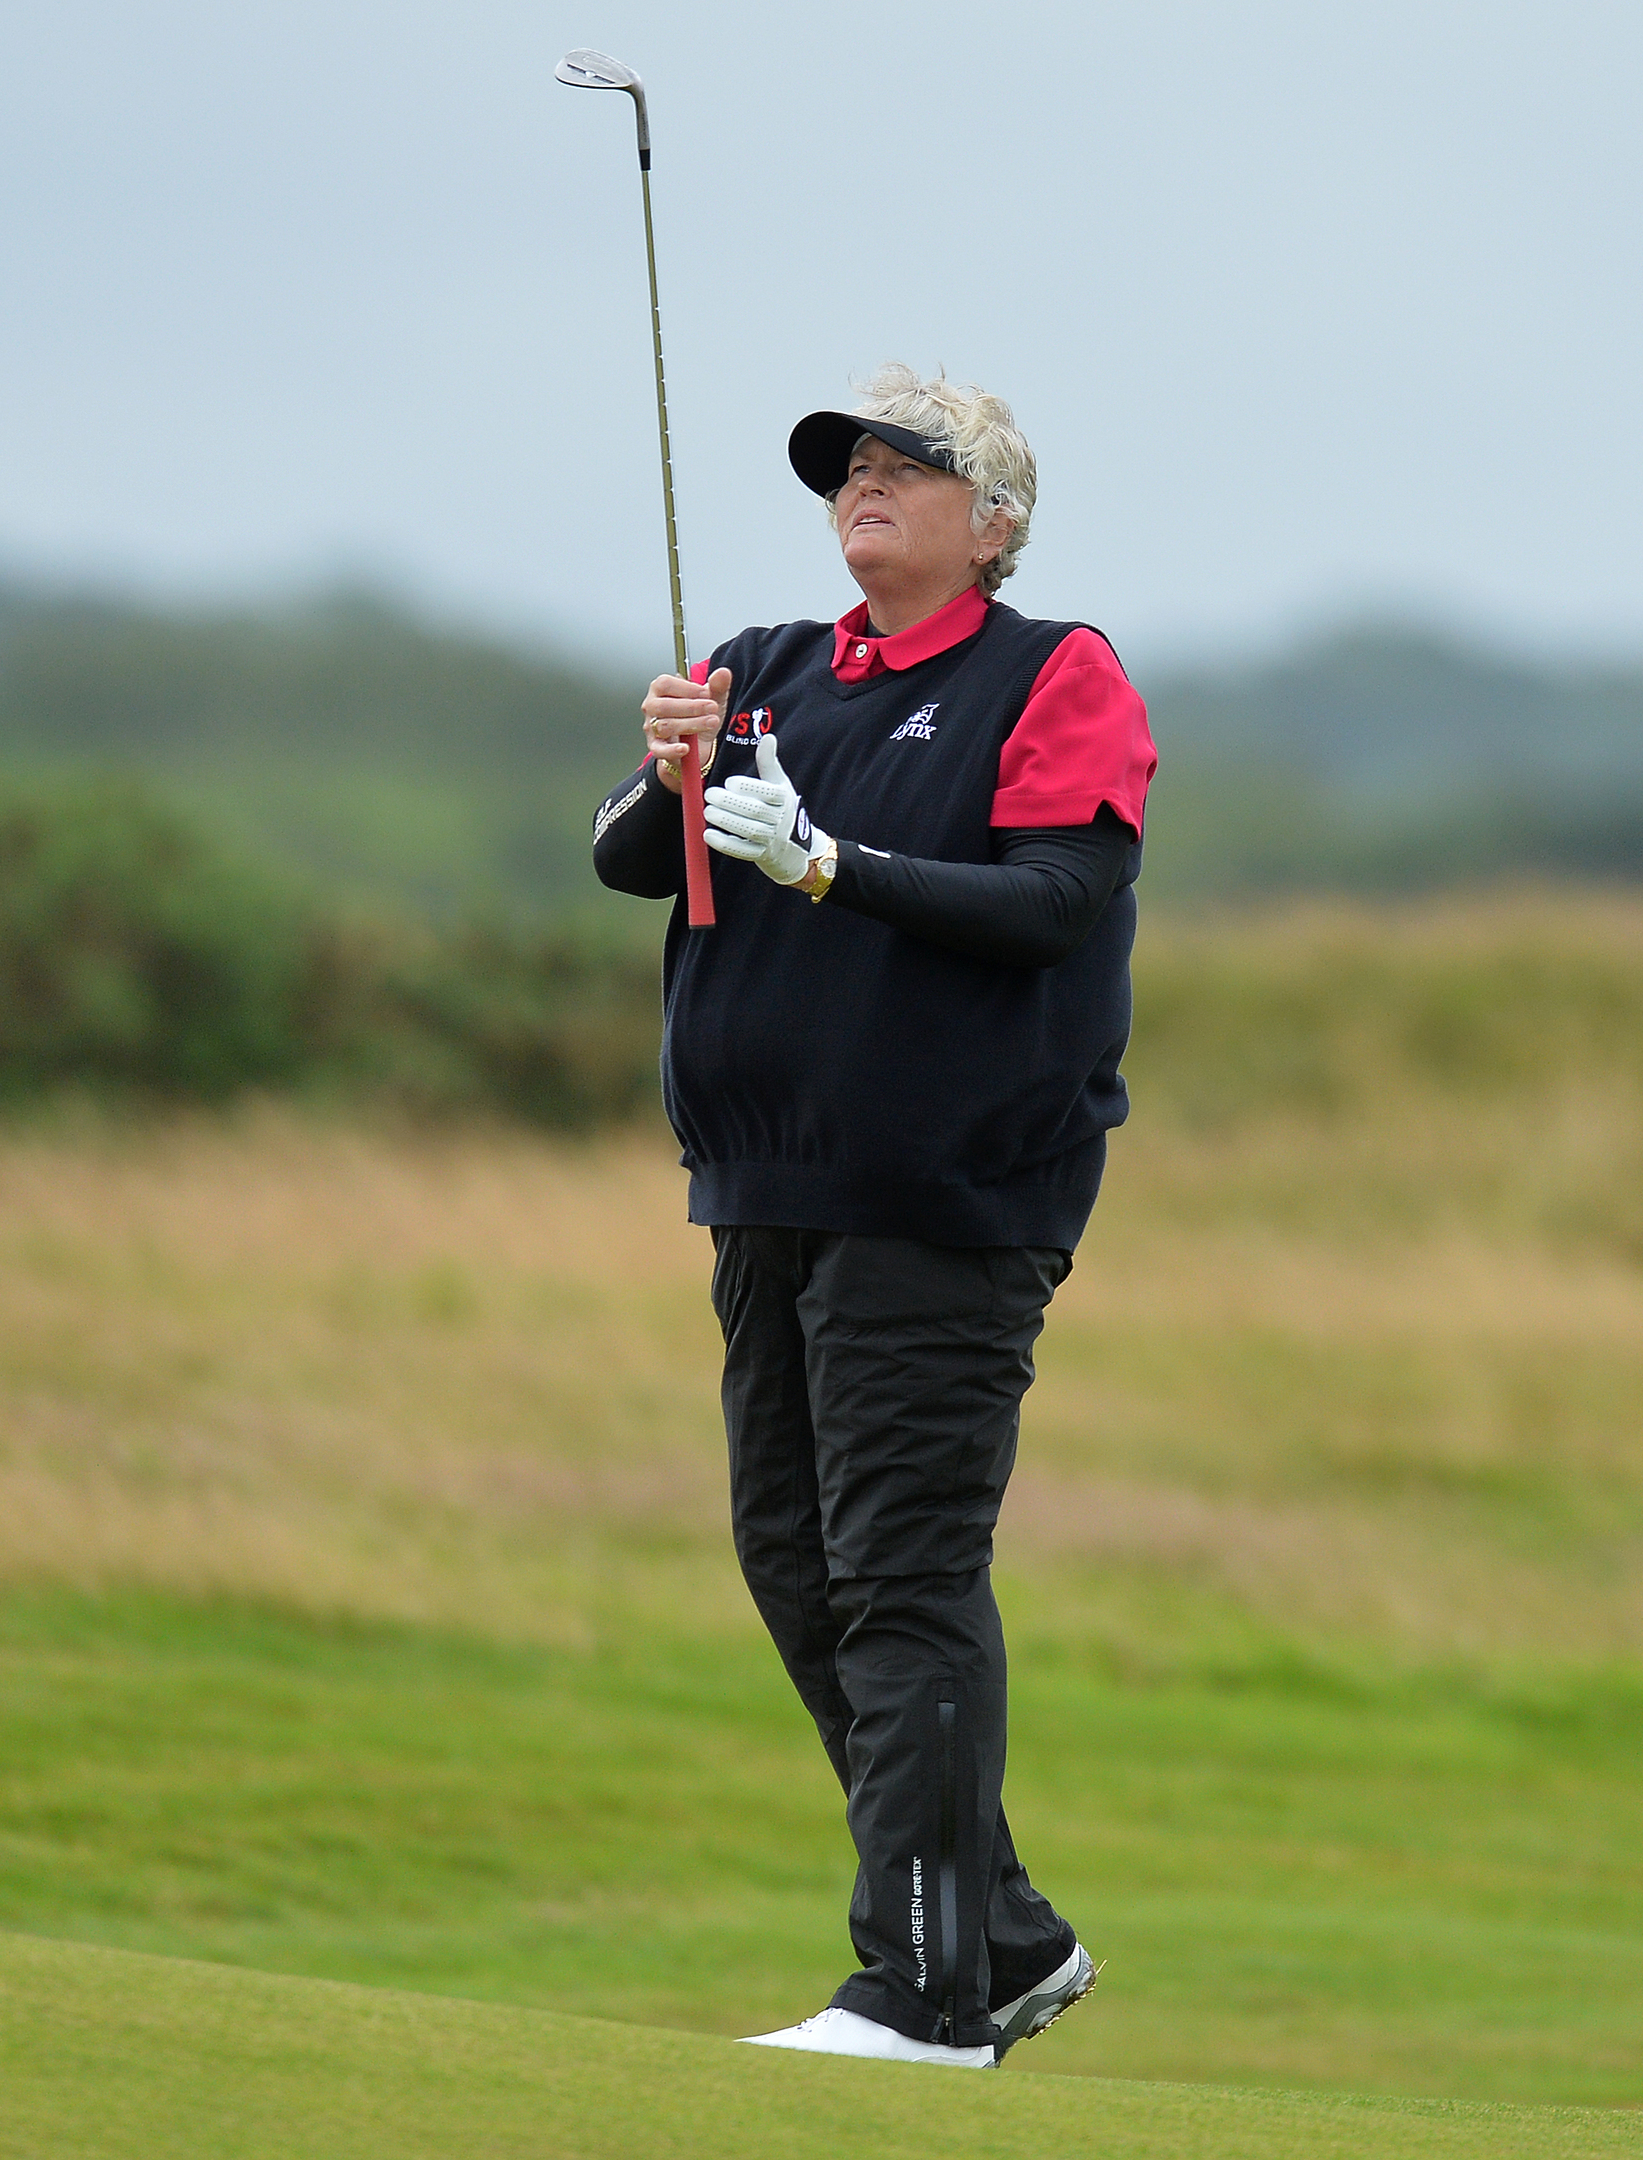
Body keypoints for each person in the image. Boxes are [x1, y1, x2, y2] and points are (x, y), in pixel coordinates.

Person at [591, 364, 1155, 2068]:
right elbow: (632, 861)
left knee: (903, 1575)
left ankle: (922, 1994)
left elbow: (1056, 902)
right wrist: (671, 771)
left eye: (913, 469)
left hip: (950, 1189)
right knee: (797, 1566)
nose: (866, 486)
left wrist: (831, 863)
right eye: (849, 468)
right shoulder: (765, 669)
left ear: (995, 524)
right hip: (765, 1180)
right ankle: (1001, 1934)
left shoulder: (1052, 672)